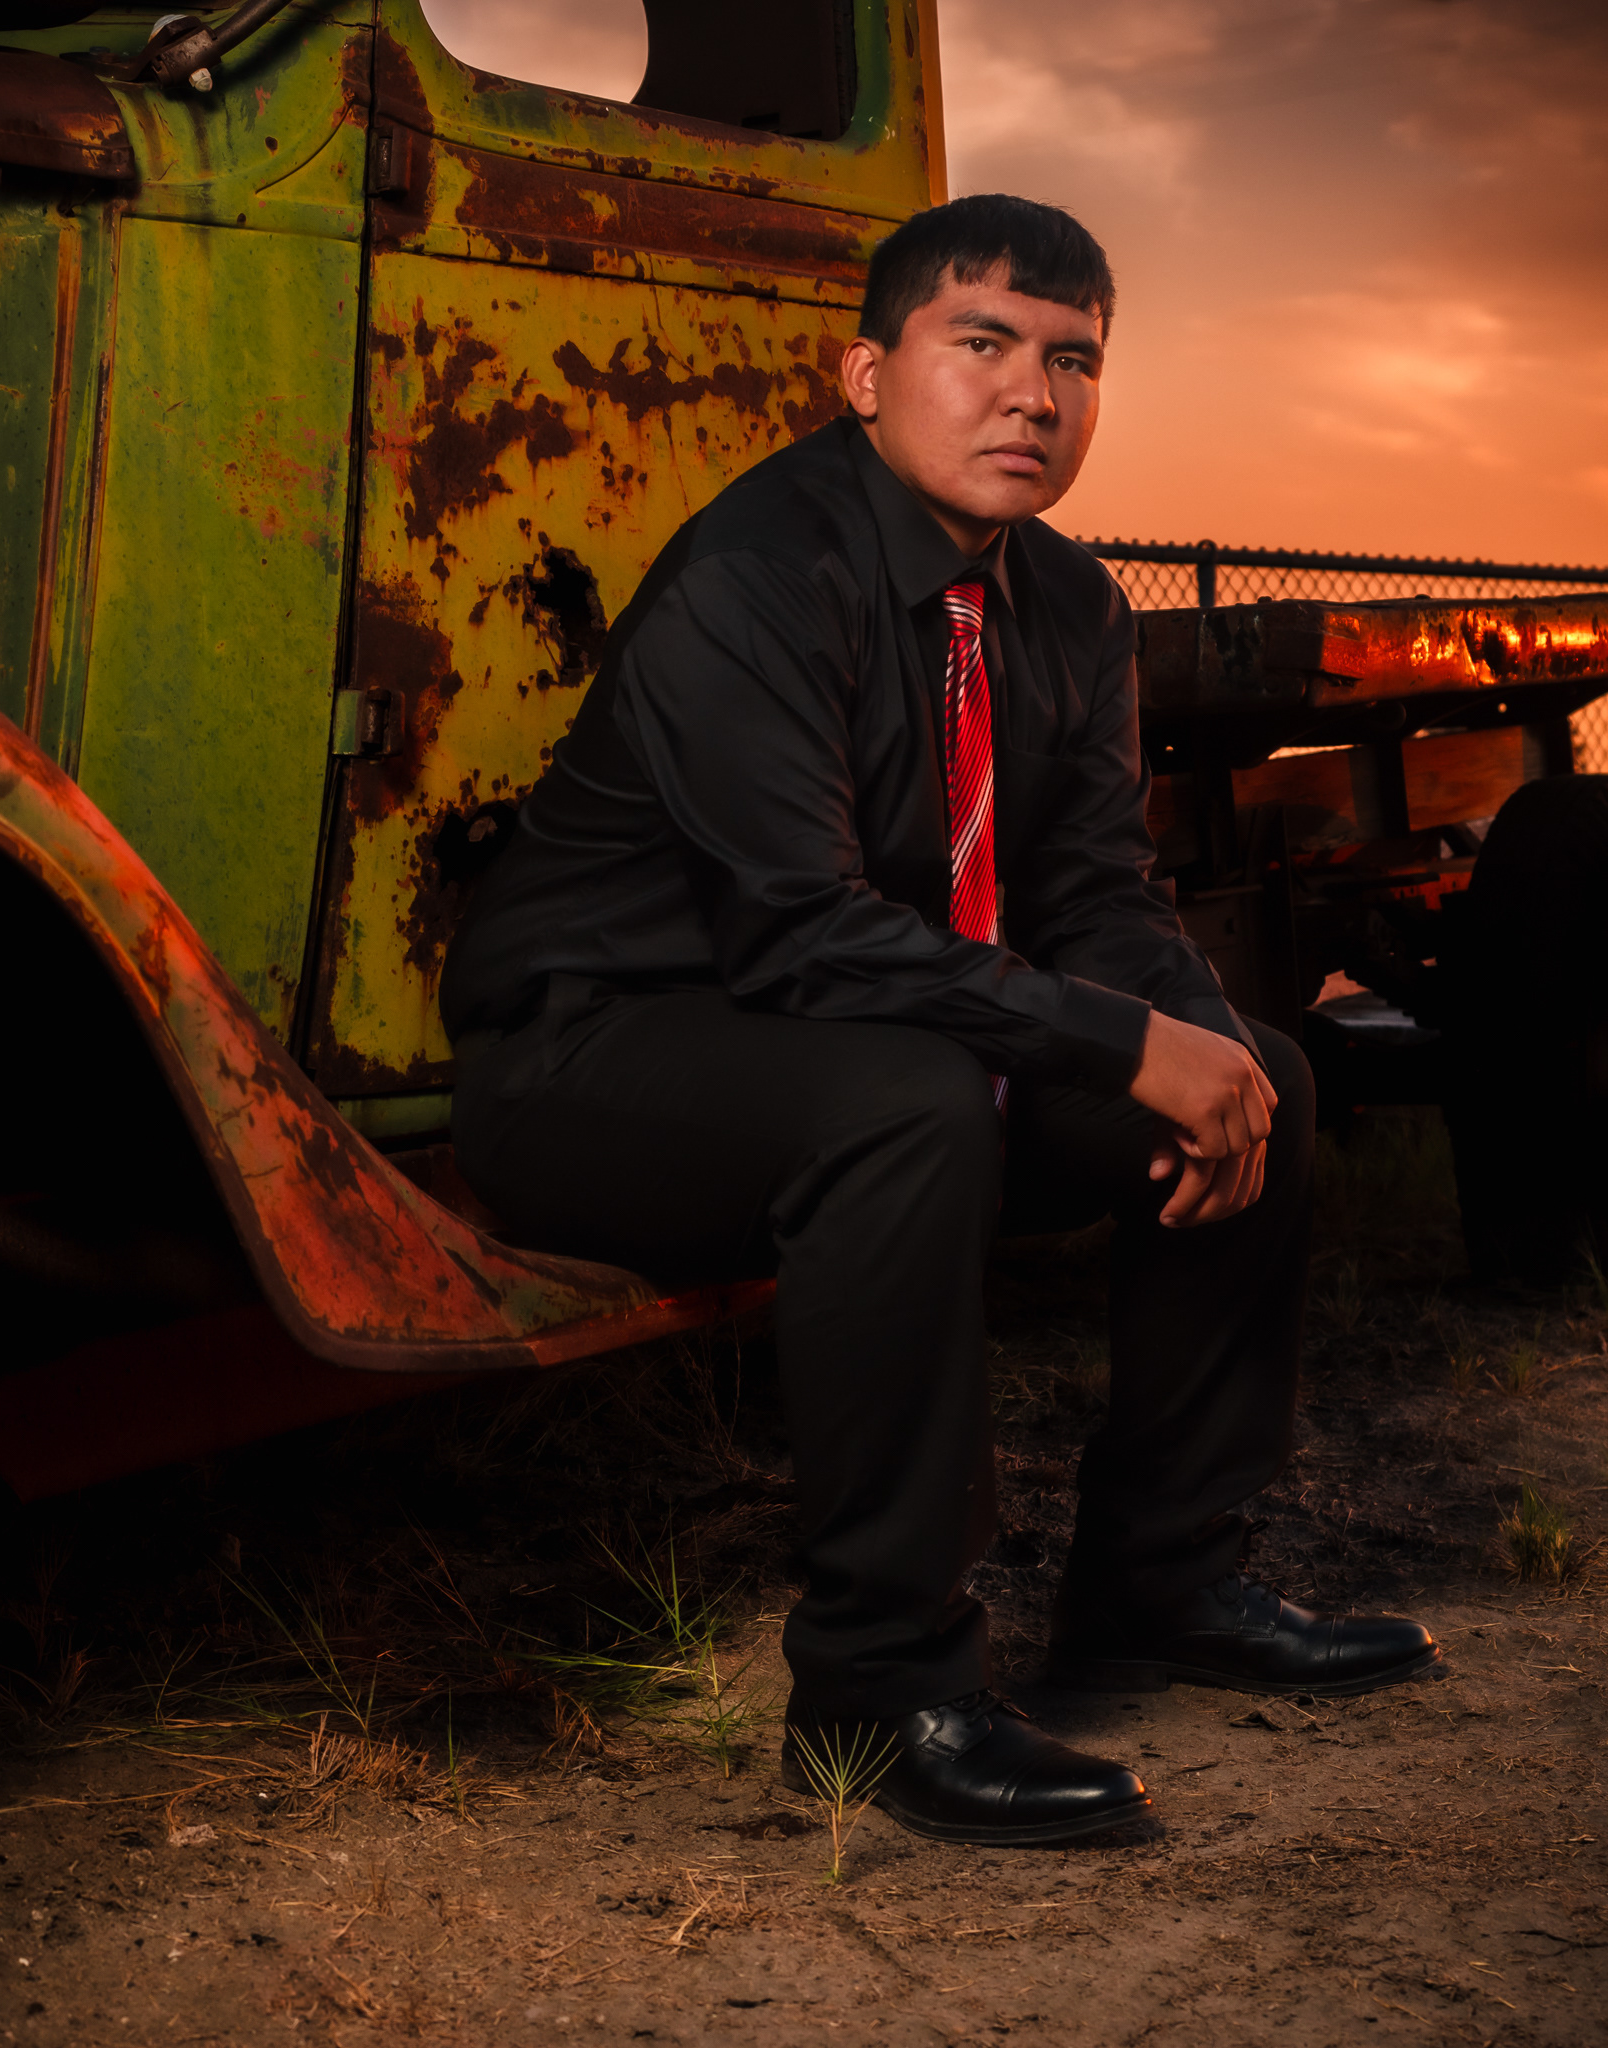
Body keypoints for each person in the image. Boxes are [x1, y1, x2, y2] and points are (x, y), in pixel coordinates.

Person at [441, 194, 1438, 1848]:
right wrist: (1117, 1043)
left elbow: (1098, 890)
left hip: (853, 1035)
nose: (1030, 395)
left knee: (1258, 1072)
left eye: (1072, 361)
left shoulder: (1067, 607)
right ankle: (877, 1691)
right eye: (979, 344)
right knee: (900, 1102)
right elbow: (799, 934)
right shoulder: (758, 577)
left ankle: (1163, 1580)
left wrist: (1195, 1044)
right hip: (599, 1061)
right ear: (865, 376)